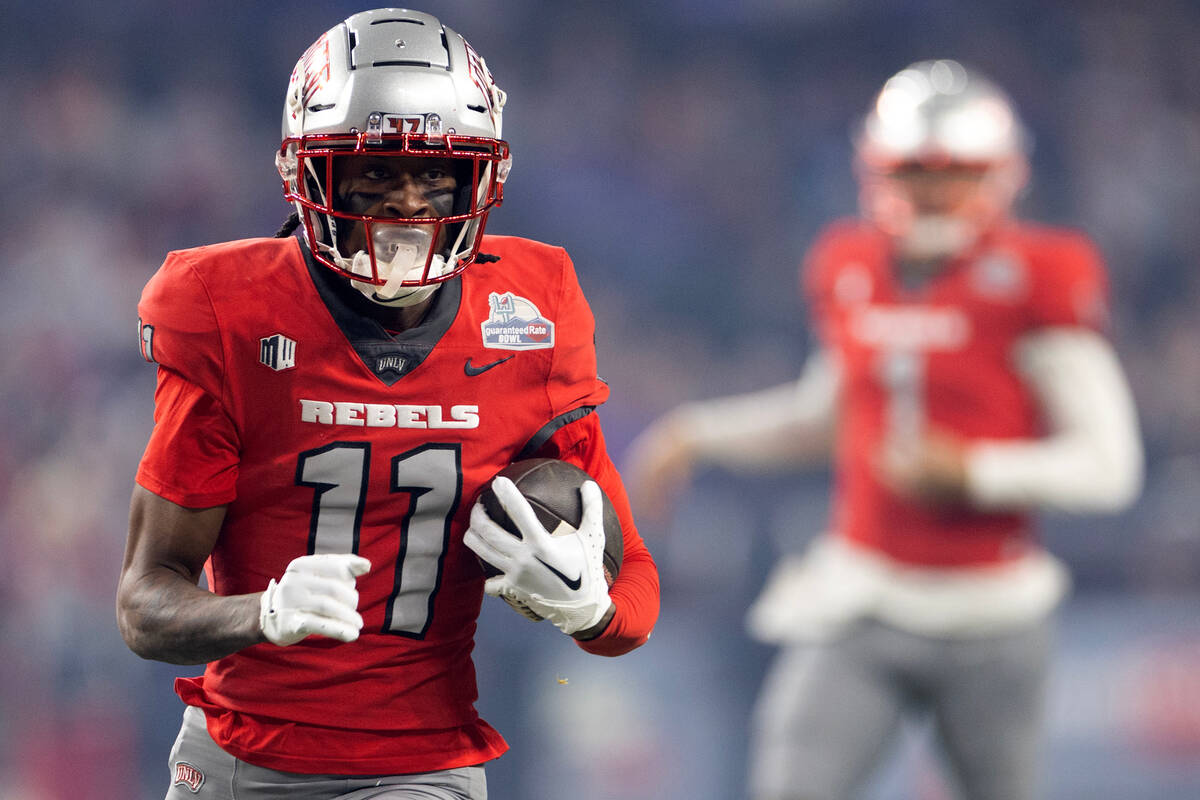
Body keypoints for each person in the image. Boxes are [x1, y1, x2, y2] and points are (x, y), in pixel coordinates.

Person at [116, 9, 659, 799]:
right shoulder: (229, 310)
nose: (407, 204)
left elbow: (635, 589)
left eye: (435, 174)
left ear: (482, 179)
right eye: (374, 172)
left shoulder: (529, 315)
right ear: (309, 173)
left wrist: (588, 608)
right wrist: (260, 613)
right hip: (235, 762)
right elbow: (143, 604)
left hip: (421, 768)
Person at [624, 59, 1142, 800]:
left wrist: (974, 473)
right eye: (912, 171)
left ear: (1000, 174)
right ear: (876, 170)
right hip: (863, 597)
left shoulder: (1038, 274)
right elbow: (825, 419)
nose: (930, 191)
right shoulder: (850, 263)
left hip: (992, 613)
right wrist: (696, 431)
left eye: (951, 172)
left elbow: (1108, 467)